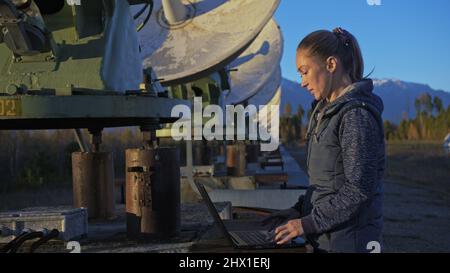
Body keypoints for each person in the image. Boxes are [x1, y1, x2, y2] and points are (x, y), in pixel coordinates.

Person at [263, 27, 385, 253]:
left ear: (331, 65)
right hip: (328, 239)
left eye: (305, 71)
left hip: (349, 242)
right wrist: (298, 211)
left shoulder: (355, 115)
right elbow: (326, 185)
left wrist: (306, 223)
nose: (301, 82)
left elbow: (358, 190)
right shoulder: (324, 114)